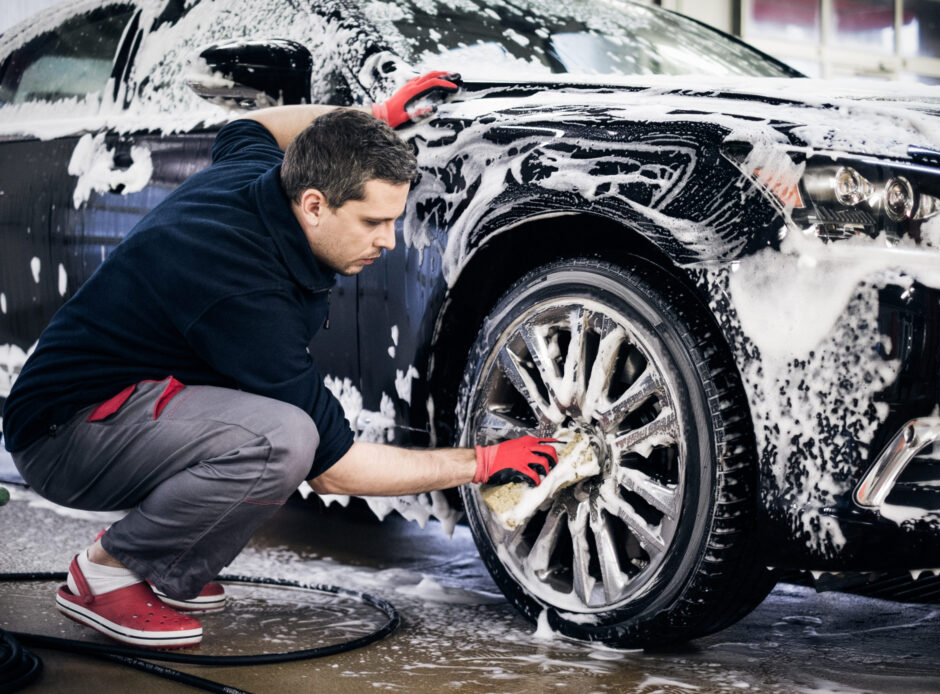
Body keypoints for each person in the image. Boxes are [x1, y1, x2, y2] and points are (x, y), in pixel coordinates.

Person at [1, 72, 559, 649]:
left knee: (279, 428)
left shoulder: (263, 176)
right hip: (63, 437)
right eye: (373, 222)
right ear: (314, 205)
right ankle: (107, 570)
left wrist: (370, 118)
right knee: (286, 438)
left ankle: (169, 569)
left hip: (122, 403)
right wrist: (483, 461)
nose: (389, 241)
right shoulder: (244, 292)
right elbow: (335, 468)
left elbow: (252, 125)